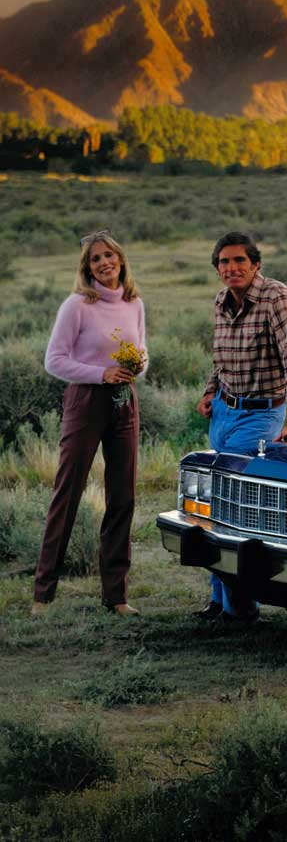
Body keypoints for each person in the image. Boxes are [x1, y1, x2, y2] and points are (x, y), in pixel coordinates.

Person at [195, 231, 287, 623]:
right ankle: (219, 601)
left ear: (255, 264)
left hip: (262, 415)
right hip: (224, 413)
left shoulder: (276, 297)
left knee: (235, 504)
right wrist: (211, 391)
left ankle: (239, 607)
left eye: (239, 261)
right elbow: (220, 355)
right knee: (216, 502)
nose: (232, 268)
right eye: (224, 262)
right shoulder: (220, 302)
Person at [33, 230, 146, 617]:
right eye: (96, 259)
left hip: (125, 402)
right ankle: (43, 593)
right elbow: (55, 360)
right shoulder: (77, 305)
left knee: (123, 497)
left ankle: (116, 596)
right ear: (87, 268)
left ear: (121, 258)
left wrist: (136, 366)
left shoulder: (134, 303)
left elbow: (143, 353)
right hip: (86, 401)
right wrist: (101, 374)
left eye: (109, 255)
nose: (104, 263)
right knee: (69, 494)